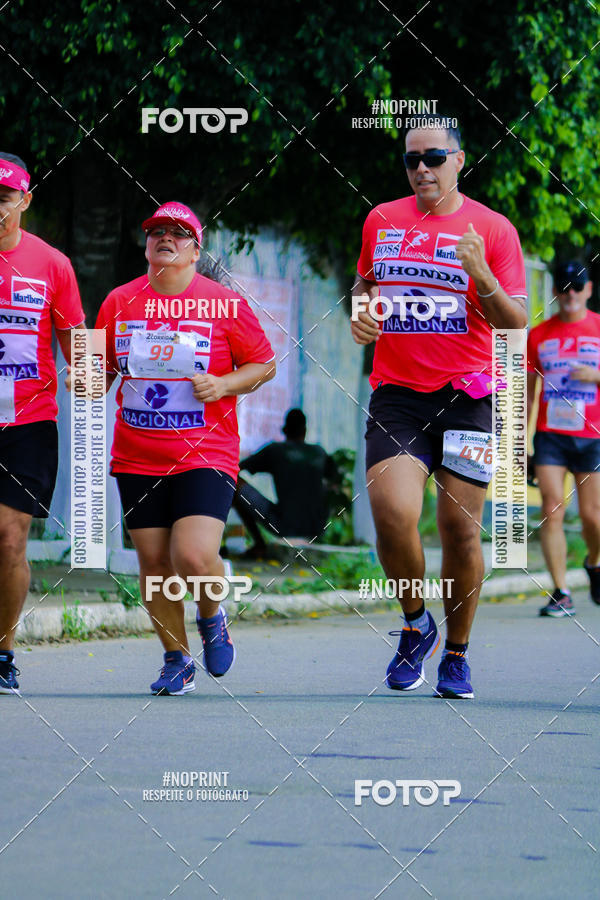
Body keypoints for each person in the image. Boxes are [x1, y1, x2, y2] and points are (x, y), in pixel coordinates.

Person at [351, 116, 528, 699]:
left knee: (460, 531)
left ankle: (457, 652)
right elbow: (364, 287)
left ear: (459, 159)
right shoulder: (382, 220)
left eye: (433, 157)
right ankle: (414, 621)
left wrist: (479, 276)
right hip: (399, 395)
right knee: (394, 513)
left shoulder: (494, 230)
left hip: (471, 397)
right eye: (411, 160)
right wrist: (363, 314)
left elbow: (515, 322)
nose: (421, 168)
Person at [94, 202, 275, 695]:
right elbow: (103, 370)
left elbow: (263, 364)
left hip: (205, 452)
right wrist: (84, 379)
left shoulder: (224, 303)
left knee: (192, 555)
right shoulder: (119, 302)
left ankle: (212, 616)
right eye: (156, 233)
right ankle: (175, 658)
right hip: (136, 454)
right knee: (154, 565)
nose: (165, 239)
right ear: (146, 245)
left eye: (178, 233)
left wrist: (223, 385)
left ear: (196, 248)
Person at [0, 152, 86, 693]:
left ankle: (3, 651)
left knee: (9, 539)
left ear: (25, 200)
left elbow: (75, 337)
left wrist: (81, 369)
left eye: (3, 198)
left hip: (28, 421)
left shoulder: (52, 263)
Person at [527, 260, 600, 617]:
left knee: (593, 517)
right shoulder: (538, 335)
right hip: (550, 436)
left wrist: (597, 376)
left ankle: (594, 561)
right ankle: (561, 591)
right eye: (564, 286)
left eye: (577, 286)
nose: (570, 293)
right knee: (552, 509)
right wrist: (519, 441)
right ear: (555, 291)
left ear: (588, 289)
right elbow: (526, 392)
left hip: (593, 436)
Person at [232, 407, 339, 557]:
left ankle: (259, 544)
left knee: (231, 482)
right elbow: (336, 483)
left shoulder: (275, 451)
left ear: (284, 430)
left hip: (283, 525)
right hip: (317, 528)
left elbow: (236, 468)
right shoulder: (319, 452)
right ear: (305, 430)